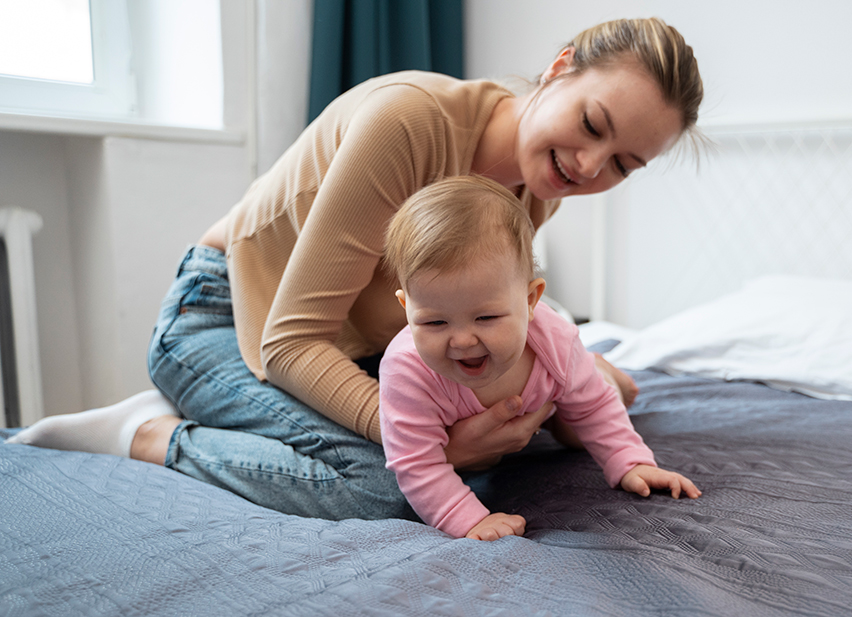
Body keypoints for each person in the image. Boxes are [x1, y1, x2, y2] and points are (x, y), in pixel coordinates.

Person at [7, 18, 703, 521]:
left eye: (621, 164)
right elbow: (289, 342)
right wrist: (439, 442)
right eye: (591, 124)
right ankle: (148, 435)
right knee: (388, 485)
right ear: (559, 68)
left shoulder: (533, 188)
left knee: (601, 392)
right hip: (221, 318)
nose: (588, 165)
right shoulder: (409, 122)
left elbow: (462, 323)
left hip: (348, 343)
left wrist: (569, 390)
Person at [380, 176, 701, 541]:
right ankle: (589, 370)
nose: (463, 340)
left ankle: (599, 371)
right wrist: (468, 520)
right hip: (490, 431)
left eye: (486, 318)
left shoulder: (555, 341)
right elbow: (416, 461)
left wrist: (632, 462)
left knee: (577, 423)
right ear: (407, 308)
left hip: (548, 398)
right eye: (434, 322)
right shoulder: (406, 371)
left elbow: (595, 407)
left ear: (531, 300)